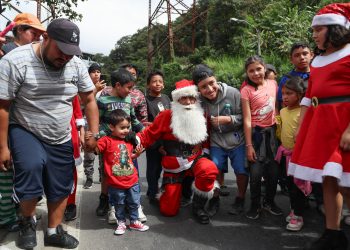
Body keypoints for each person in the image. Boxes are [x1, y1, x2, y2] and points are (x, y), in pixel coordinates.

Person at [0, 18, 99, 249]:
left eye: (70, 53)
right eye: (61, 50)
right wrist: (3, 147)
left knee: (62, 183)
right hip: (25, 128)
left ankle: (54, 231)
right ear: (46, 38)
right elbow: (3, 106)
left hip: (60, 134)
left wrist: (93, 134)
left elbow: (90, 99)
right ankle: (27, 222)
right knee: (31, 168)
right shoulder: (16, 61)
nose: (65, 57)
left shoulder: (75, 65)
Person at [288, 3, 350, 249]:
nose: (313, 34)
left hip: (342, 121)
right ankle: (333, 234)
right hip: (320, 122)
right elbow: (308, 95)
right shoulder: (319, 60)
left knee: (346, 182)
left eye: (319, 29)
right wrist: (302, 126)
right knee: (328, 180)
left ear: (335, 29)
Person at [136, 79, 219, 224]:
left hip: (195, 159)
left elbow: (206, 137)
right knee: (168, 211)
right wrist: (132, 145)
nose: (188, 102)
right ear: (176, 100)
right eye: (183, 98)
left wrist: (204, 150)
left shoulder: (202, 115)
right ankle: (167, 190)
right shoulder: (166, 116)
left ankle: (198, 207)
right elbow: (148, 135)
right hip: (174, 164)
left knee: (208, 169)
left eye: (191, 98)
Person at [0, 13, 45, 233]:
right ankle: (8, 217)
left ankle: (18, 210)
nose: (37, 38)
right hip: (8, 124)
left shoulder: (31, 55)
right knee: (7, 170)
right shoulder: (8, 54)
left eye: (39, 34)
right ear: (18, 30)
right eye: (32, 32)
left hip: (23, 124)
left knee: (20, 170)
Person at [192, 64, 248, 215]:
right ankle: (214, 199)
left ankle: (240, 198)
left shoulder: (233, 93)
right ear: (198, 89)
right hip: (216, 140)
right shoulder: (199, 101)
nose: (209, 89)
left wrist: (228, 119)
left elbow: (246, 117)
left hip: (238, 139)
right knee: (214, 169)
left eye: (211, 83)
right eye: (204, 87)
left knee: (242, 170)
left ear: (216, 80)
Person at [86, 109, 149, 235]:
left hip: (132, 181)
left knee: (134, 202)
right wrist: (90, 140)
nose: (126, 130)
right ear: (111, 126)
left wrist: (136, 154)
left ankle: (134, 221)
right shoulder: (106, 141)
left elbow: (129, 157)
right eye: (122, 128)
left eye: (127, 127)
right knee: (118, 204)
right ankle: (120, 222)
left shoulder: (128, 140)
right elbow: (95, 149)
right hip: (115, 182)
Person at [96, 68, 143, 225]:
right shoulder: (102, 101)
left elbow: (133, 120)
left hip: (126, 142)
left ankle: (133, 204)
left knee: (128, 169)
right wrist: (99, 138)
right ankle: (111, 205)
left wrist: (144, 131)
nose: (131, 91)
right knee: (108, 173)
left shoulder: (128, 101)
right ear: (117, 85)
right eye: (129, 88)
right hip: (108, 145)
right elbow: (98, 121)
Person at [240, 55, 282, 220]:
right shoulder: (246, 91)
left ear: (264, 68)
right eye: (251, 71)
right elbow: (247, 119)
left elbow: (276, 107)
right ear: (247, 73)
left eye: (258, 69)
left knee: (273, 172)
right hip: (256, 136)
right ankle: (255, 204)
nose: (256, 73)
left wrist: (280, 128)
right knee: (256, 174)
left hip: (273, 135)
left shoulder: (273, 84)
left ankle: (270, 201)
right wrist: (249, 146)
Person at [274, 76, 308, 231]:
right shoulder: (282, 111)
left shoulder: (304, 113)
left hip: (299, 157)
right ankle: (295, 209)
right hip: (285, 156)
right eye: (283, 93)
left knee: (297, 187)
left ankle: (298, 216)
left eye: (289, 93)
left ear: (300, 95)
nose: (284, 97)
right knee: (289, 185)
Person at [144, 70, 171, 203]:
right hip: (153, 140)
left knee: (166, 167)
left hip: (167, 139)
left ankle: (161, 191)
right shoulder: (145, 100)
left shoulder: (166, 98)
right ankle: (153, 193)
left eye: (160, 81)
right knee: (153, 169)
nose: (157, 84)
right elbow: (144, 122)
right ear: (148, 85)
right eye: (154, 81)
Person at [83, 62, 105, 189]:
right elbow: (81, 104)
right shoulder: (84, 87)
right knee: (89, 153)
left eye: (98, 71)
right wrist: (95, 90)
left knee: (103, 152)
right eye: (93, 71)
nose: (96, 74)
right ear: (89, 73)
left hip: (102, 125)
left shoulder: (106, 89)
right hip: (88, 124)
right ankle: (89, 177)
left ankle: (103, 174)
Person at [64, 96, 85, 221]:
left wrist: (82, 133)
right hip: (43, 134)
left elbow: (78, 113)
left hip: (69, 135)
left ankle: (70, 203)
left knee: (70, 170)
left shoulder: (71, 88)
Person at [277, 42, 313, 109]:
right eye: (297, 55)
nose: (302, 57)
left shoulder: (318, 75)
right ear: (291, 59)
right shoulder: (286, 79)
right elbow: (282, 102)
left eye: (305, 54)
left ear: (311, 55)